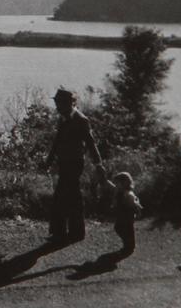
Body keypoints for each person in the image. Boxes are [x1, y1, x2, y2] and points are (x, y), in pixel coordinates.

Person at [45, 88, 104, 244]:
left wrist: (98, 164)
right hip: (65, 163)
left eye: (59, 103)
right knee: (68, 196)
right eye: (56, 103)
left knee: (67, 197)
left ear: (69, 103)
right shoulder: (64, 118)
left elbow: (91, 144)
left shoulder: (81, 120)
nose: (57, 107)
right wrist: (48, 161)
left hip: (74, 164)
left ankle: (67, 233)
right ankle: (68, 232)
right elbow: (56, 142)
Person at [99, 170, 143, 254]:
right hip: (122, 214)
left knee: (125, 229)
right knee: (122, 229)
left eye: (118, 183)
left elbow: (135, 203)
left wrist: (138, 211)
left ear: (124, 183)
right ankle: (129, 245)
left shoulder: (127, 193)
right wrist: (104, 179)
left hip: (127, 214)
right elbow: (111, 186)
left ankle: (129, 245)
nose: (116, 185)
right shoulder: (119, 190)